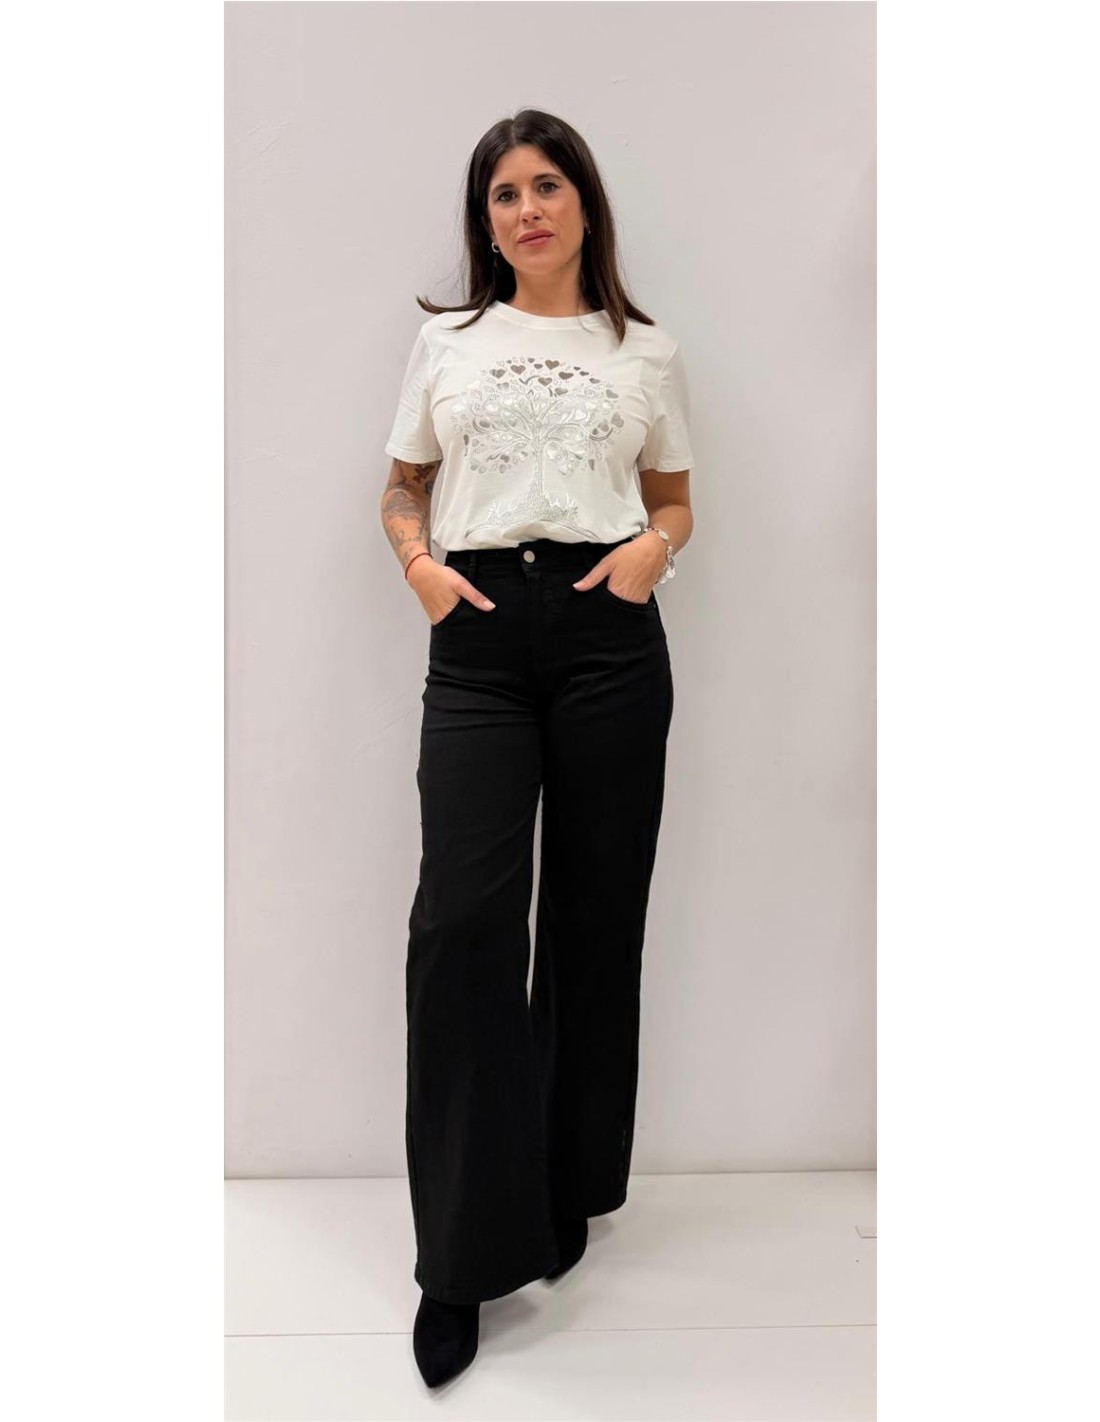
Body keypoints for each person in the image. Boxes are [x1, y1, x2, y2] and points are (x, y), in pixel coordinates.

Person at [380, 109, 695, 1390]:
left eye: (546, 185)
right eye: (503, 193)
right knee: (461, 925)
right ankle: (457, 1259)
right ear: (486, 220)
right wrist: (419, 566)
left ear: (583, 203)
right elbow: (401, 483)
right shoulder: (447, 341)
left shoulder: (644, 350)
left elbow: (674, 497)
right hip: (478, 639)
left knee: (592, 919)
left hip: (608, 638)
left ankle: (564, 1192)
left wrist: (650, 553)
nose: (526, 210)